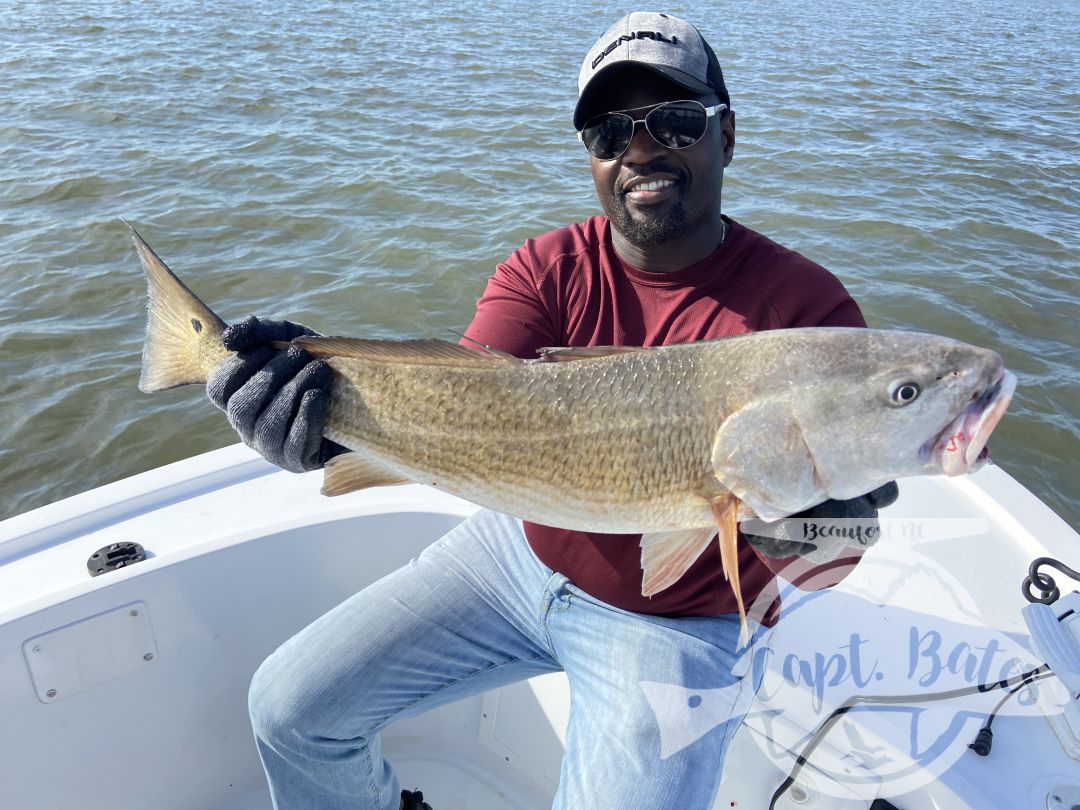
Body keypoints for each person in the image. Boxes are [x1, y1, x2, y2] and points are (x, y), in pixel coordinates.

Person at [207, 12, 897, 810]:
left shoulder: (807, 314)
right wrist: (316, 412)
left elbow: (833, 561)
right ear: (593, 159)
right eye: (610, 134)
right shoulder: (545, 267)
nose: (641, 149)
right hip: (512, 553)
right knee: (289, 710)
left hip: (677, 621)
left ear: (727, 136)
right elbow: (461, 405)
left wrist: (813, 519)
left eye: (673, 121)